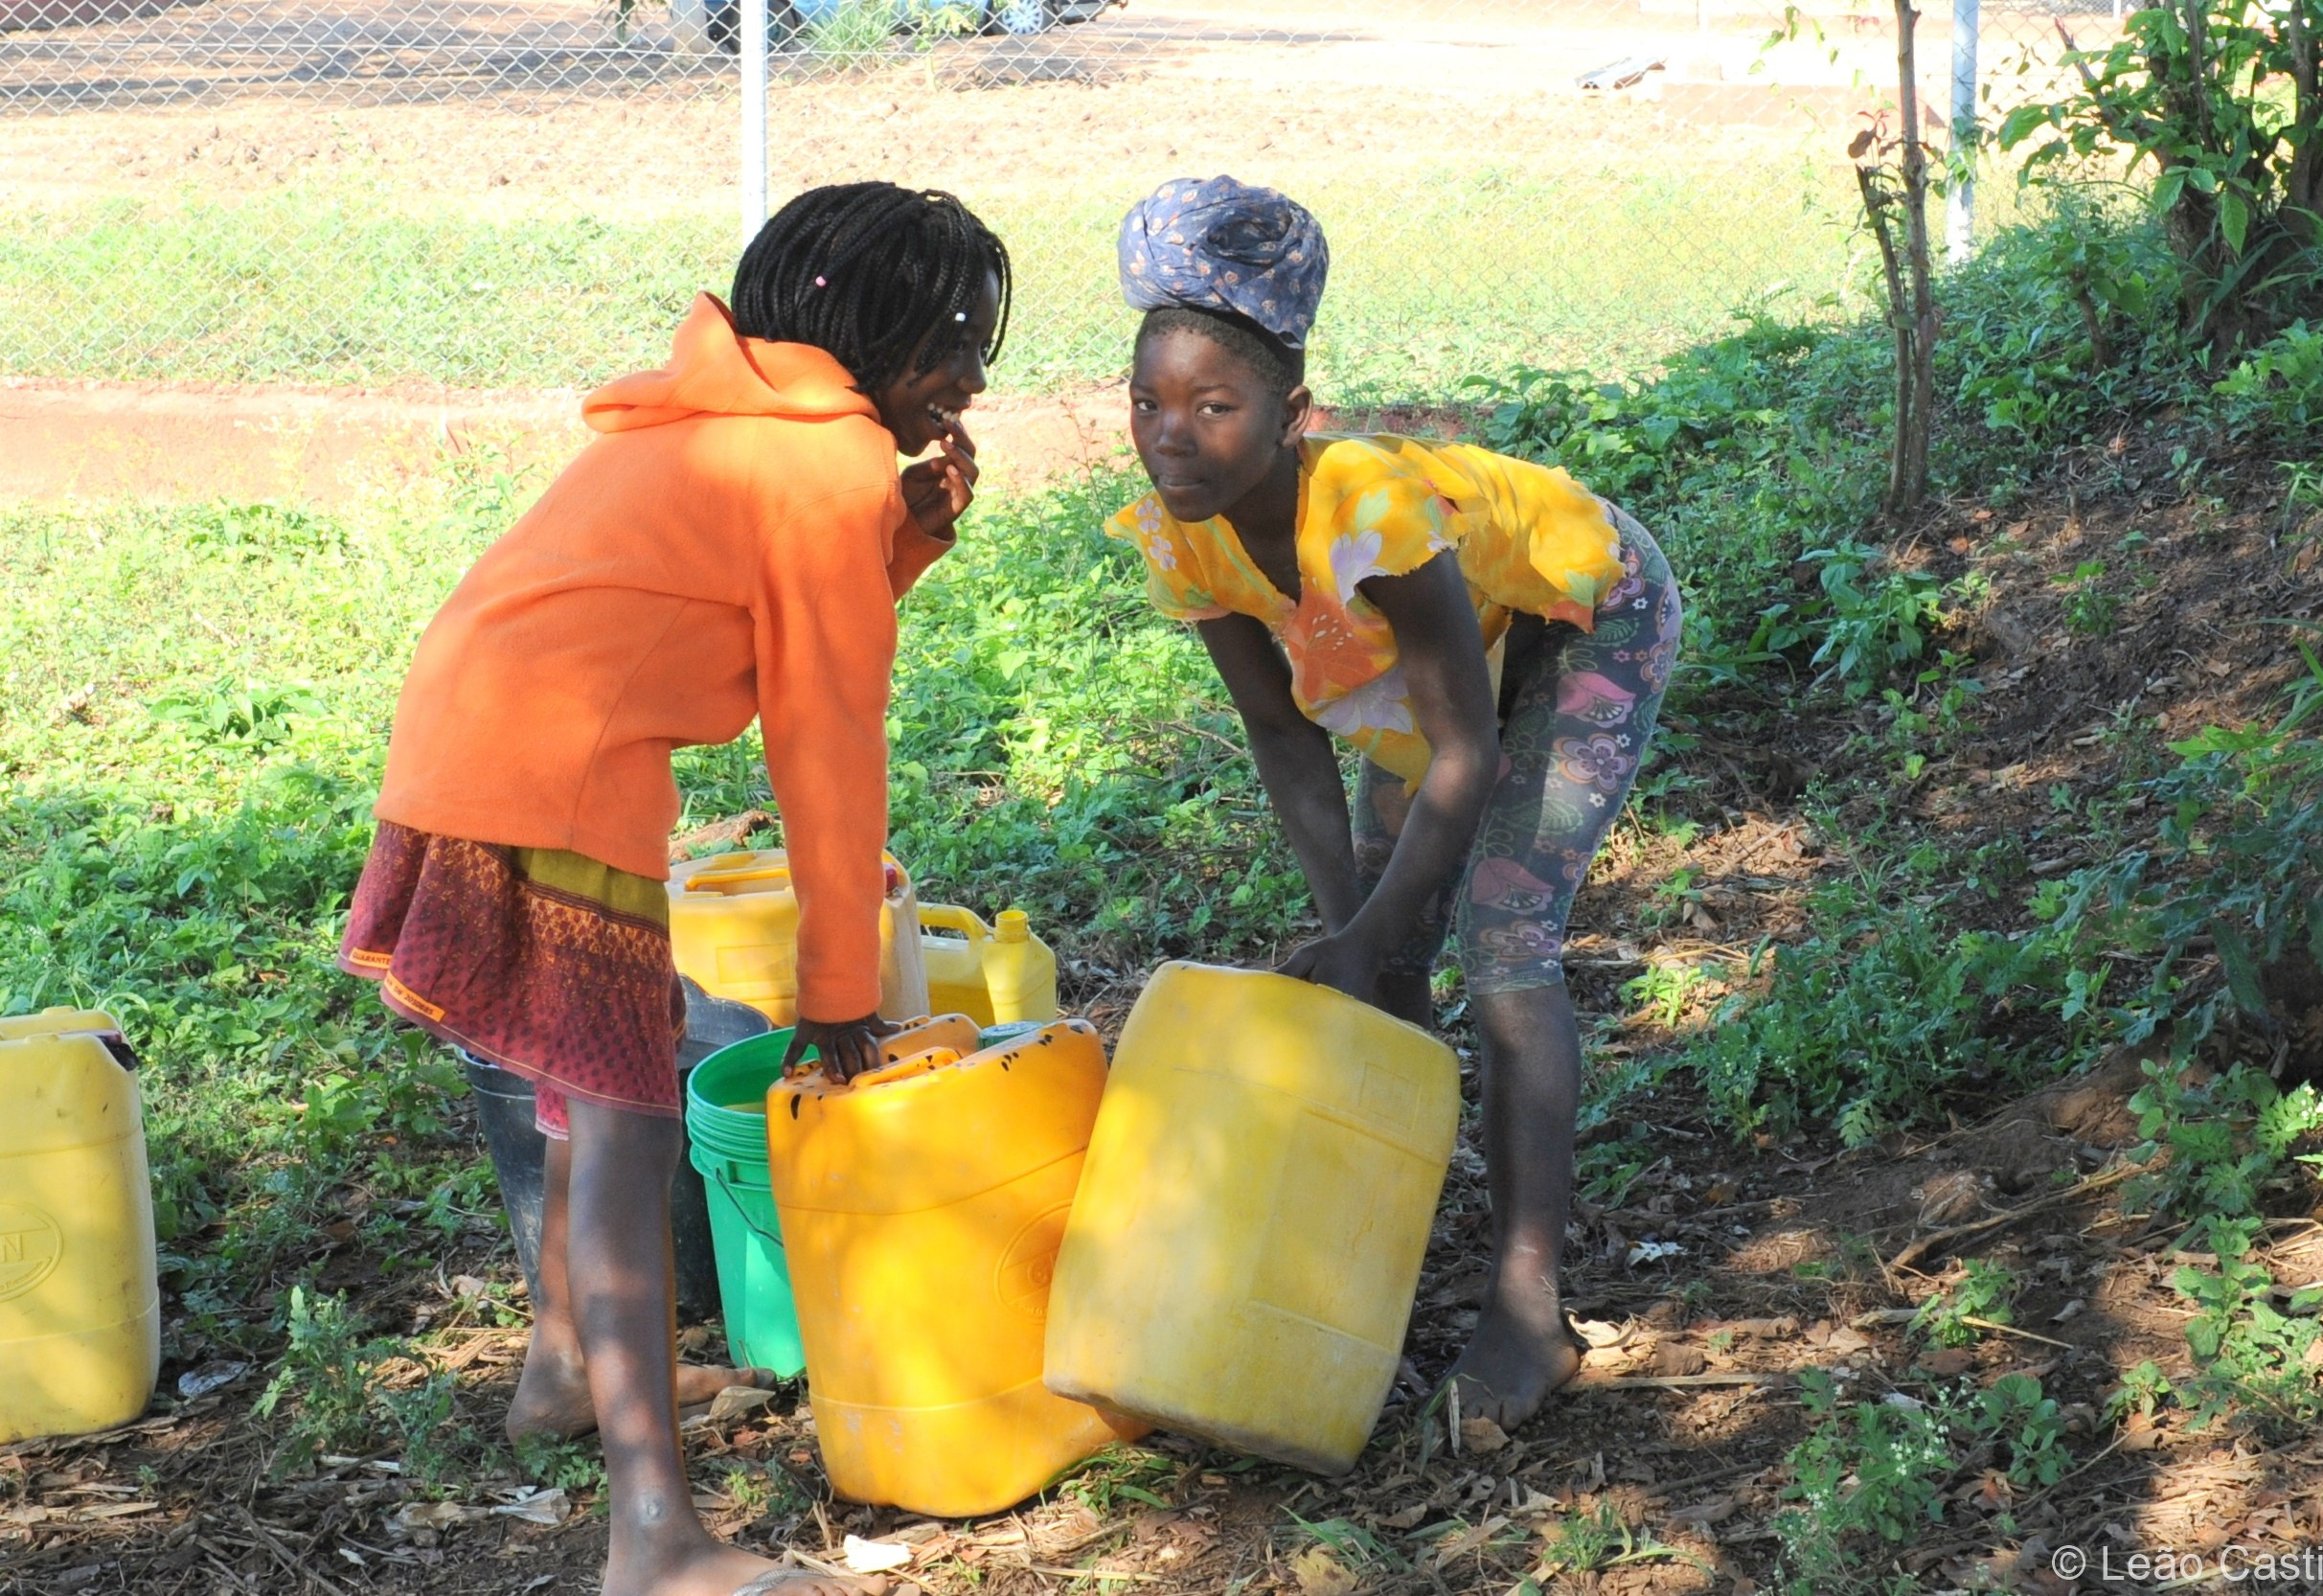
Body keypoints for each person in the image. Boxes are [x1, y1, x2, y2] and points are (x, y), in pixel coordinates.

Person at [337, 181, 1008, 1596]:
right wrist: (840, 989)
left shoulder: (735, 426)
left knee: (590, 1099)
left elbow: (757, 607)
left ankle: (562, 1365)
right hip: (556, 777)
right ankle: (652, 1539)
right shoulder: (818, 469)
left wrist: (907, 537)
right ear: (882, 335)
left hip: (474, 744)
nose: (976, 376)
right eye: (960, 339)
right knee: (632, 1127)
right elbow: (824, 740)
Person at [1108, 176, 1682, 1432]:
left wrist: (1373, 931)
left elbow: (1467, 747)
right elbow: (1278, 727)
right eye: (1148, 402)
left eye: (1216, 405)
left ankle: (1528, 1312)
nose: (1174, 434)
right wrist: (1353, 928)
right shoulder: (1181, 530)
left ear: (1291, 414)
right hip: (1433, 662)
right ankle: (1374, 1252)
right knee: (1384, 943)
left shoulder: (1359, 501)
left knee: (1500, 946)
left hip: (1584, 615)